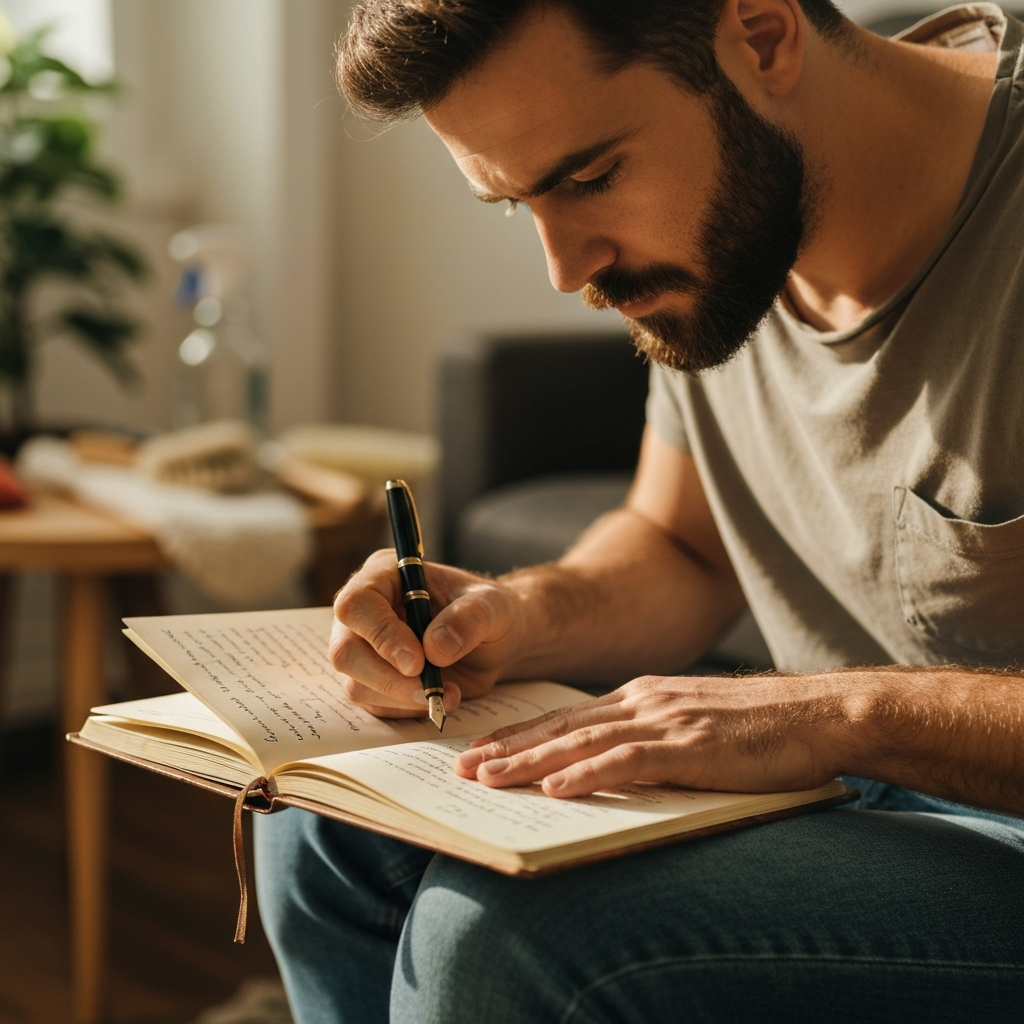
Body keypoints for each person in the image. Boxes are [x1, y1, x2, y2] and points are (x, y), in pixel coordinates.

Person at [255, 2, 1024, 1021]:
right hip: (854, 782)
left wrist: (836, 712)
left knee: (503, 945)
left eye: (587, 179)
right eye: (512, 203)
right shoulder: (748, 228)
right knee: (325, 819)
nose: (565, 269)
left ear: (759, 35)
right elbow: (680, 544)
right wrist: (513, 617)